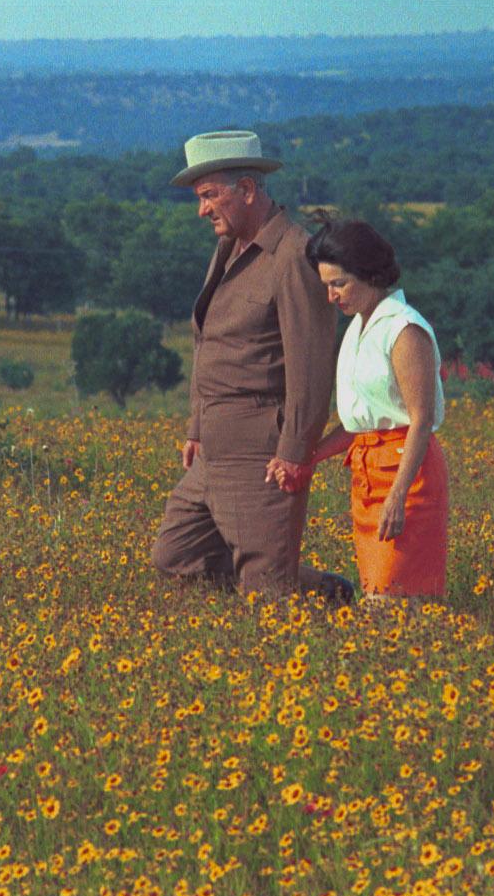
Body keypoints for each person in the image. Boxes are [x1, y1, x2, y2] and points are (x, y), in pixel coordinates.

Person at [148, 130, 346, 602]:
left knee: (266, 590)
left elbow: (311, 365)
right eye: (200, 198)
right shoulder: (229, 248)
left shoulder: (292, 256)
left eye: (210, 196)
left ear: (248, 190)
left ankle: (323, 603)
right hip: (214, 445)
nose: (202, 210)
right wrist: (196, 426)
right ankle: (314, 585)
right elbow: (209, 343)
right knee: (175, 556)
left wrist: (296, 452)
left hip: (261, 449)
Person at [293, 219, 449, 603]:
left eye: (339, 284)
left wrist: (398, 495)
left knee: (393, 601)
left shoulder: (404, 329)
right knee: (379, 597)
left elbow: (421, 421)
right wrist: (306, 459)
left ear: (369, 273)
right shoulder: (357, 330)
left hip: (407, 478)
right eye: (326, 285)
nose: (331, 296)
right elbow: (357, 423)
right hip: (366, 479)